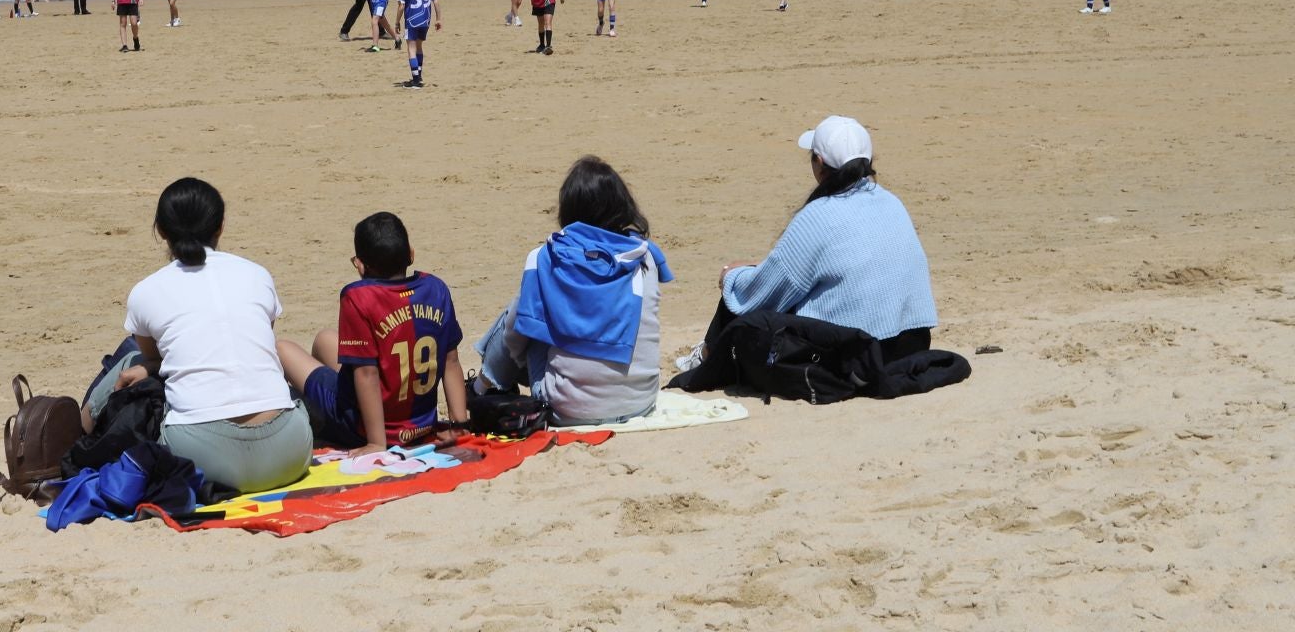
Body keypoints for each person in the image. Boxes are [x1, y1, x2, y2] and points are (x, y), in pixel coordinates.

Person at [80, 178, 311, 494]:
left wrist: (147, 366)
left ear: (161, 230)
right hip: (289, 453)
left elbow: (152, 355)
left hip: (201, 460)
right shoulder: (257, 274)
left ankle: (83, 428)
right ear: (220, 227)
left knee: (132, 357)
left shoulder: (147, 290)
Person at [677, 116, 935, 370]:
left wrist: (731, 276)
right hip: (912, 345)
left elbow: (762, 292)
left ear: (819, 163)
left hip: (858, 355)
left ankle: (706, 357)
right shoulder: (891, 202)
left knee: (737, 299)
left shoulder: (818, 215)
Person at [470, 156, 671, 426]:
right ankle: (486, 382)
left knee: (523, 312)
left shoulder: (545, 257)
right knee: (537, 311)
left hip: (569, 410)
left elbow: (516, 334)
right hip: (641, 402)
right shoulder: (645, 257)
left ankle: (481, 388)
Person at [278, 212, 467, 451]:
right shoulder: (436, 288)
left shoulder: (358, 297)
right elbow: (451, 361)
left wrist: (376, 443)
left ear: (360, 266)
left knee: (281, 349)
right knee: (325, 339)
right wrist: (460, 425)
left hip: (366, 426)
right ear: (411, 254)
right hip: (421, 423)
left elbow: (367, 374)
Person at [394, 0, 438, 88]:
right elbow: (436, 1)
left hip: (412, 21)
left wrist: (397, 22)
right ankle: (418, 76)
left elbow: (401, 6)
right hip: (425, 21)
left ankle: (416, 81)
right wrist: (438, 19)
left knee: (411, 50)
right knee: (419, 47)